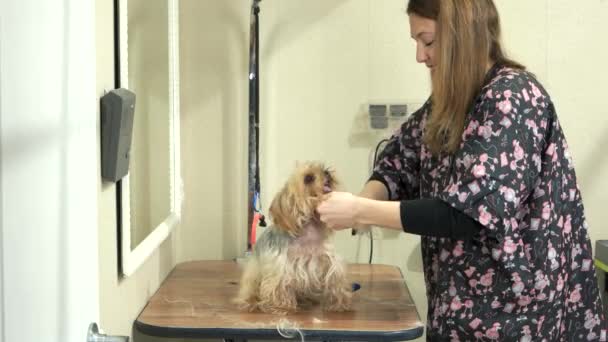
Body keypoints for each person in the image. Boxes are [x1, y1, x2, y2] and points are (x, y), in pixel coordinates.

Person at [317, 0, 607, 340]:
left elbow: (469, 213)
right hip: (457, 315)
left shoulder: (514, 98)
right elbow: (398, 161)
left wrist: (360, 210)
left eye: (428, 41)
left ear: (461, 35)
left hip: (519, 320)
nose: (420, 56)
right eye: (416, 43)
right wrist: (365, 202)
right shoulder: (452, 102)